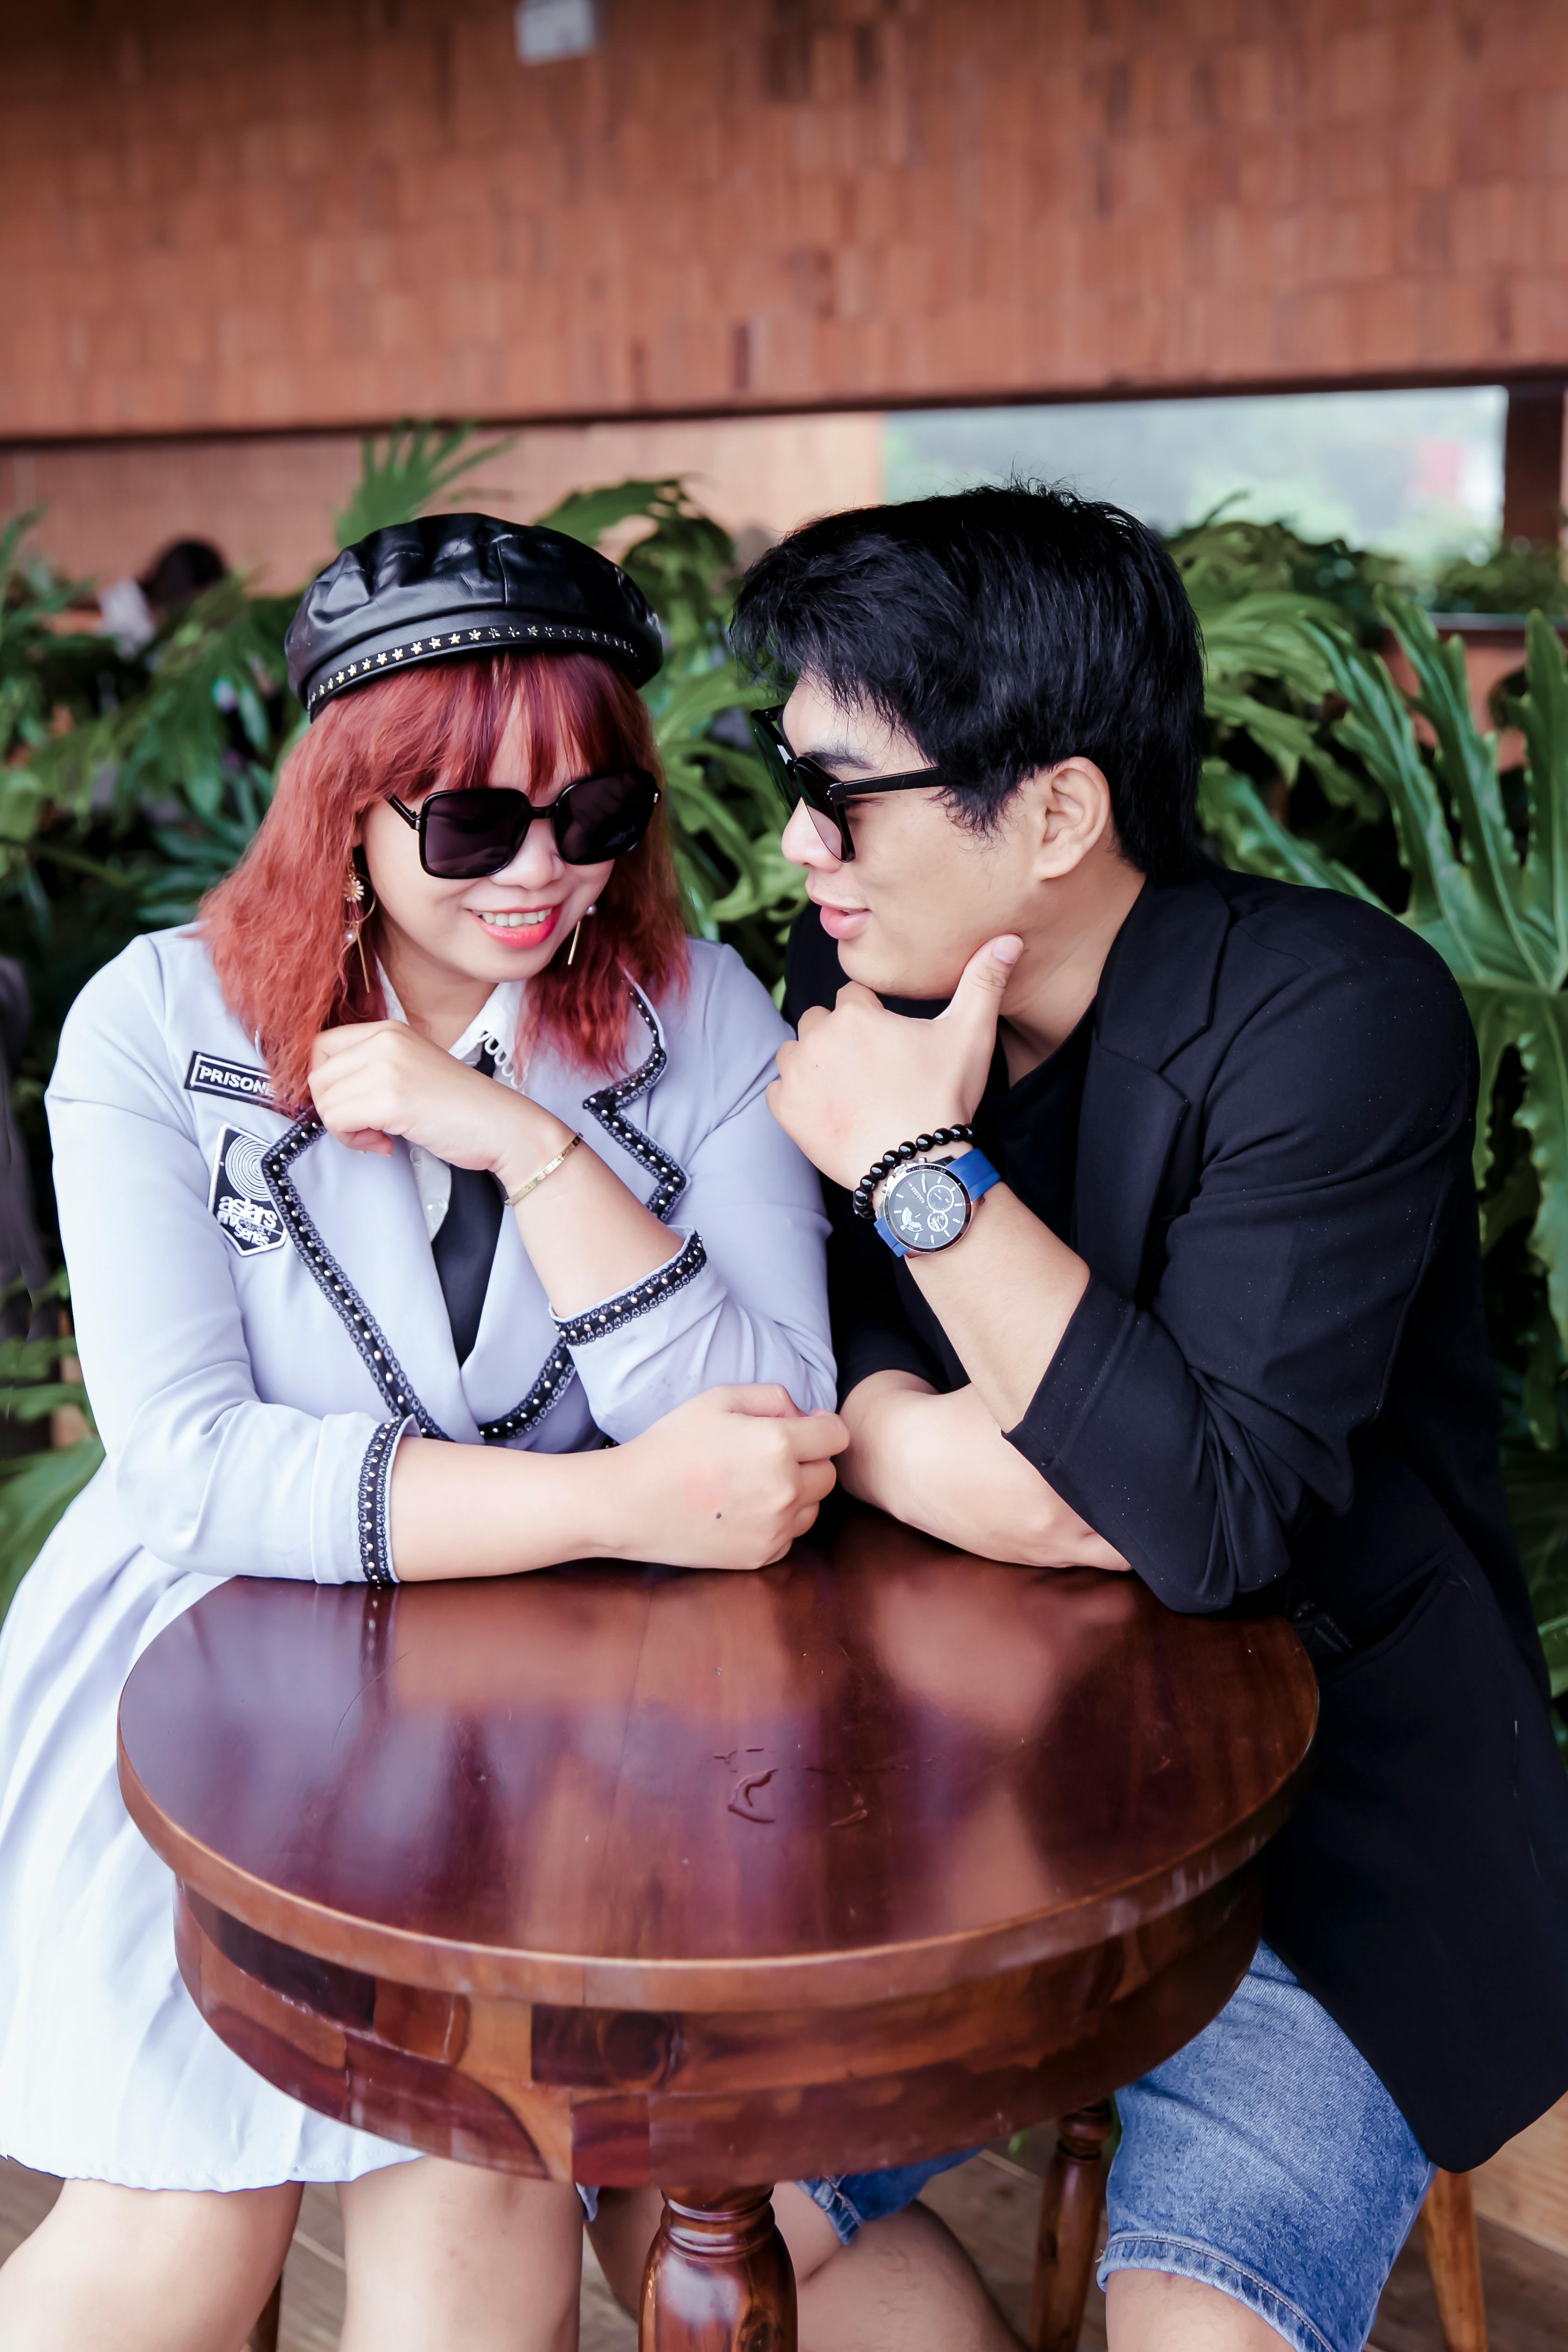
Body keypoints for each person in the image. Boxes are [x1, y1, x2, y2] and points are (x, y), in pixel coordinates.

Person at [730, 484, 1566, 2352]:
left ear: (1056, 809)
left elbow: (1201, 1519)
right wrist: (949, 1449)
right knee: (719, 2219)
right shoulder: (855, 970)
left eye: (843, 791)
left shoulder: (1337, 1018)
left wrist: (914, 1169)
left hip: (1322, 1831)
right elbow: (820, 1369)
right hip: (954, 1778)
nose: (797, 845)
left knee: (1204, 2327)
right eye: (781, 771)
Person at [0, 514, 848, 2352]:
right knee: (175, 2260)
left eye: (594, 814)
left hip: (562, 1721)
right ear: (348, 813)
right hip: (216, 1679)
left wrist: (521, 1144)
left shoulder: (698, 1020)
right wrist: (625, 1496)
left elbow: (765, 1415)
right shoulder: (156, 1025)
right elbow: (195, 1465)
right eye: (471, 826)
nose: (539, 878)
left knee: (476, 2258)